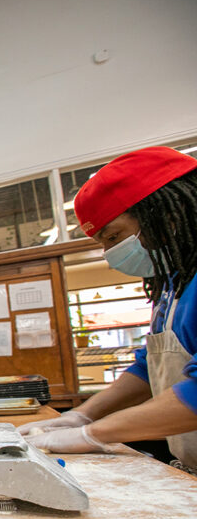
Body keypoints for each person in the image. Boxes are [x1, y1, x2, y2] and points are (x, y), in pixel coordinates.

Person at [23, 146, 197, 473]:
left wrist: (92, 434)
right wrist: (80, 416)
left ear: (166, 215)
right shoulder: (175, 284)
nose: (109, 253)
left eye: (113, 236)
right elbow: (150, 370)